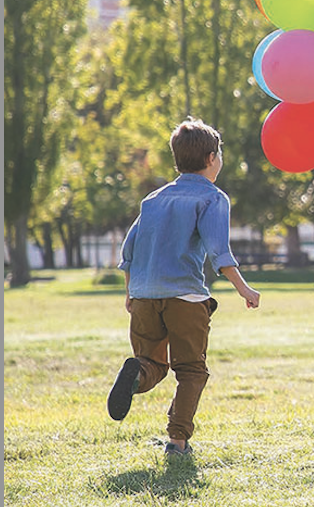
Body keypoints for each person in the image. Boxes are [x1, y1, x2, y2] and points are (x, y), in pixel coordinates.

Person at [107, 118, 261, 457]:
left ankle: (137, 374)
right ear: (210, 159)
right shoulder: (212, 198)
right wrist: (245, 289)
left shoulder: (154, 199)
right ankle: (177, 442)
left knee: (152, 363)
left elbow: (128, 251)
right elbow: (220, 253)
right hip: (185, 297)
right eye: (219, 153)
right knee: (191, 370)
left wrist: (130, 292)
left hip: (145, 295)